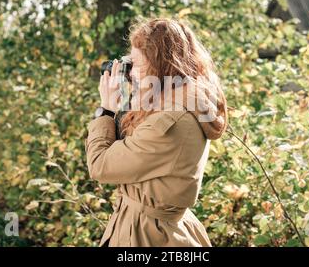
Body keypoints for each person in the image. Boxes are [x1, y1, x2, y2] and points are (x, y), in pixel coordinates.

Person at [85, 17, 228, 247]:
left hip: (150, 237)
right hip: (146, 228)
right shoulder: (175, 103)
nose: (131, 73)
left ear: (161, 66)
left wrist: (105, 111)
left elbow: (101, 165)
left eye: (137, 65)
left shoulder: (171, 121)